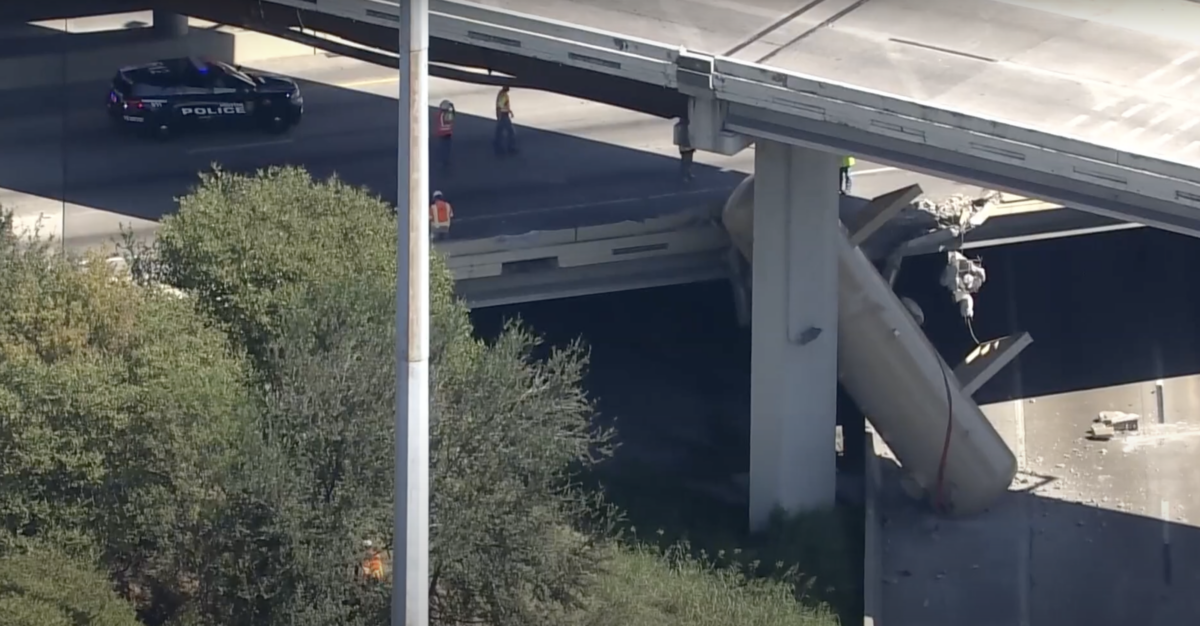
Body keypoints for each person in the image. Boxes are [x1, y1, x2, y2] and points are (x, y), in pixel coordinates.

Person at [494, 86, 517, 156]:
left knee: (499, 132)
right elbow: (500, 106)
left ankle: (499, 149)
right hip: (504, 116)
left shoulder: (502, 94)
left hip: (503, 115)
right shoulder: (503, 95)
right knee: (511, 132)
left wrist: (510, 111)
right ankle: (509, 148)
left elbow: (504, 105)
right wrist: (499, 116)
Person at [435, 100, 455, 172]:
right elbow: (452, 117)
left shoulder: (439, 114)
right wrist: (453, 108)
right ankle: (445, 162)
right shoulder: (446, 114)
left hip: (441, 133)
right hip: (447, 134)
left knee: (443, 148)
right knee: (446, 148)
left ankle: (443, 161)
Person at [675, 118, 695, 183]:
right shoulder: (683, 129)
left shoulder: (687, 128)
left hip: (688, 147)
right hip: (685, 148)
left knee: (689, 161)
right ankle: (684, 175)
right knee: (685, 162)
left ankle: (688, 174)